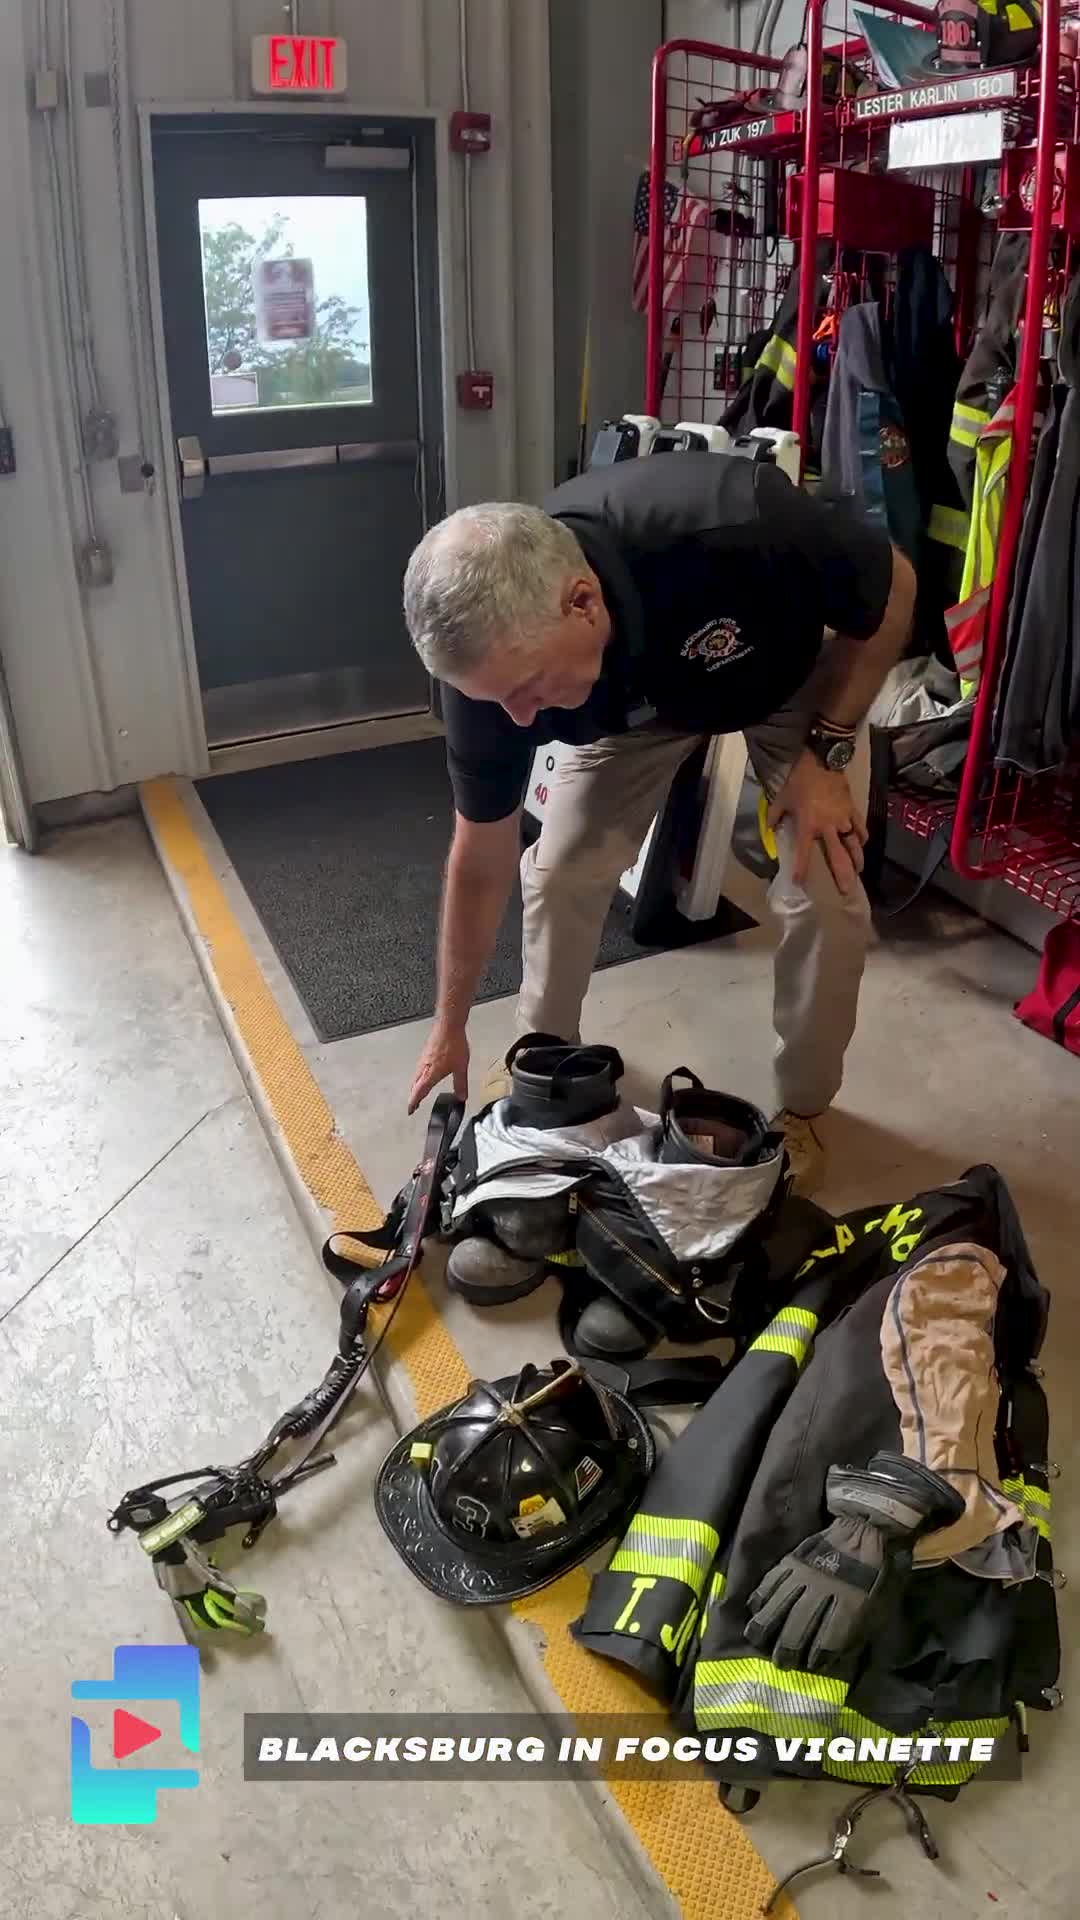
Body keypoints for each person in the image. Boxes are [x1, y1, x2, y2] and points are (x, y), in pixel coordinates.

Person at [402, 453, 915, 1194]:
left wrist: (828, 747)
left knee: (826, 895)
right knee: (558, 867)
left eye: (526, 691)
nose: (518, 722)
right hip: (643, 712)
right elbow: (479, 859)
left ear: (583, 602)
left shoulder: (740, 525)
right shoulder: (492, 676)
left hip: (787, 684)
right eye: (495, 702)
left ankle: (804, 1109)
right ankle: (548, 1066)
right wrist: (449, 1024)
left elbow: (893, 587)